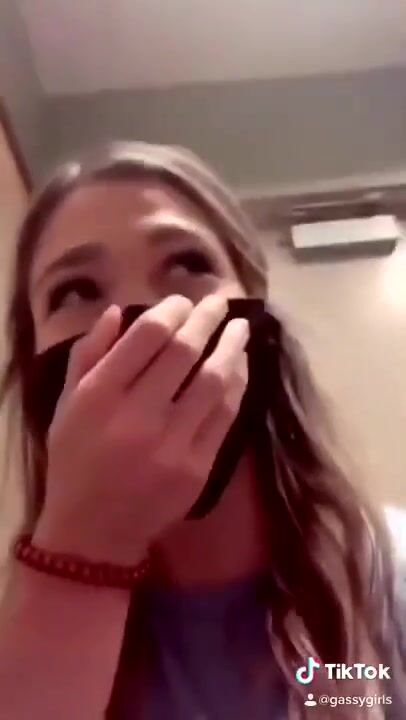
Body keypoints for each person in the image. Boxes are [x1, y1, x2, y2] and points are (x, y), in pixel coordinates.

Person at [0, 142, 403, 720]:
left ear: (261, 321)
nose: (149, 319)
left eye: (188, 265)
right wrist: (83, 544)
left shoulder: (389, 577)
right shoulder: (16, 644)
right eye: (76, 291)